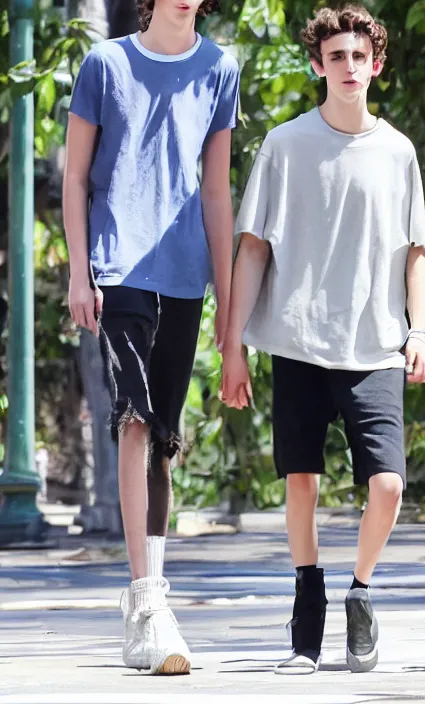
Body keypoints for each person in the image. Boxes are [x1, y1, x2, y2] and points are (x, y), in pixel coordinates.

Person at [221, 3, 425, 675]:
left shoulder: (398, 152)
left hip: (376, 344)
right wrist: (233, 346)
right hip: (300, 340)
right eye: (335, 56)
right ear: (318, 65)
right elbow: (252, 249)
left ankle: (360, 592)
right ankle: (306, 619)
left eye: (358, 56)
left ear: (376, 65)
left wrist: (419, 330)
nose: (348, 66)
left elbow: (415, 254)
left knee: (389, 485)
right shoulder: (285, 145)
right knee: (302, 481)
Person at [63, 0, 239, 675]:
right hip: (115, 267)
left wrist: (227, 303)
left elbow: (217, 193)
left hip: (185, 272)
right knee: (133, 418)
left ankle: (148, 598)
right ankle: (148, 604)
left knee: (162, 434)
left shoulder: (219, 67)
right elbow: (76, 177)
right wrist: (80, 272)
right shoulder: (105, 62)